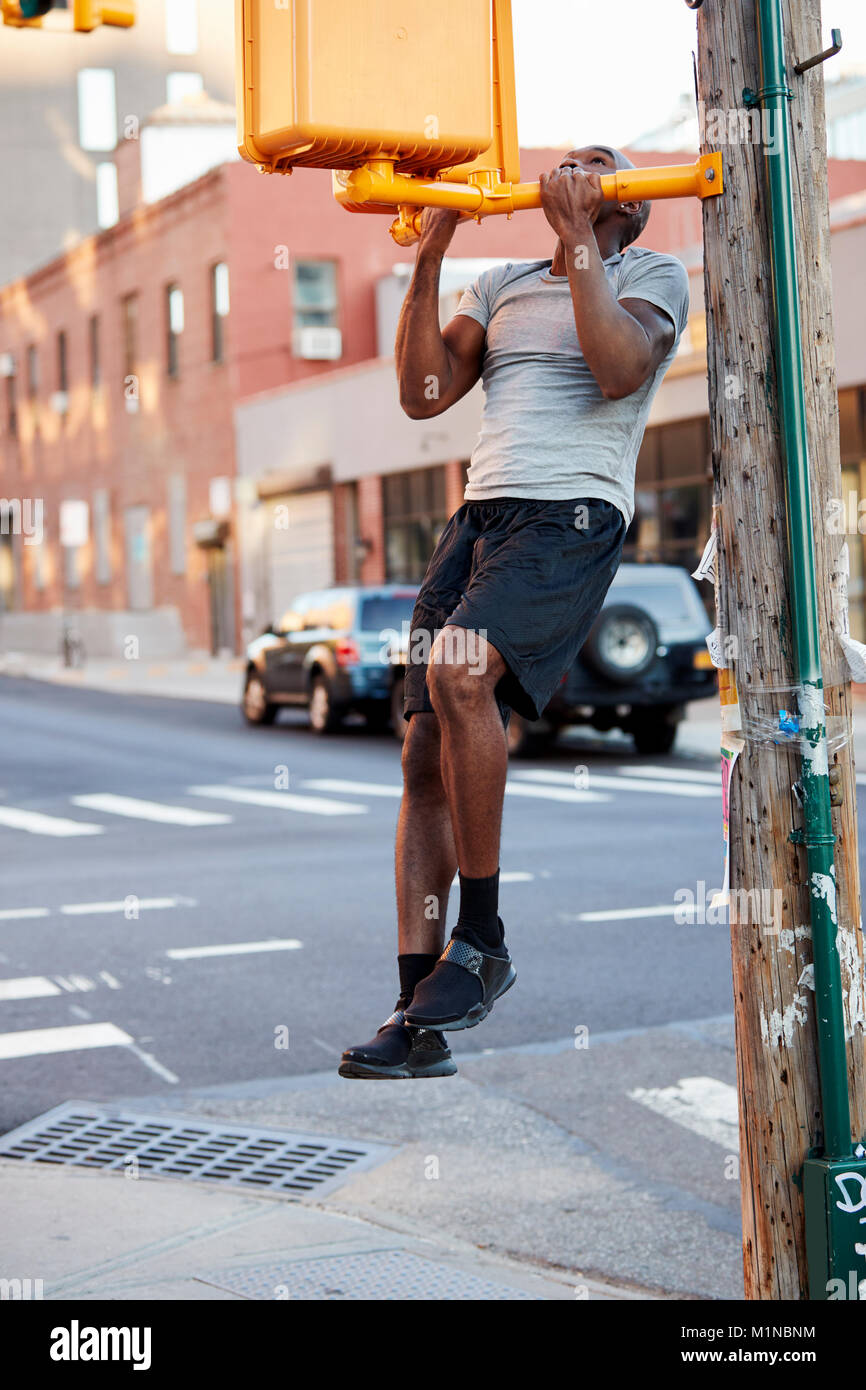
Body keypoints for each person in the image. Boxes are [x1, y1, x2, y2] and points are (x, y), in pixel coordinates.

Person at [339, 145, 690, 1080]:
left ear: (631, 205)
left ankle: (484, 936)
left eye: (599, 166)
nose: (574, 167)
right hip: (480, 517)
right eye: (570, 161)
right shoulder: (497, 283)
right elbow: (422, 397)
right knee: (419, 748)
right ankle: (416, 1017)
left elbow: (618, 369)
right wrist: (430, 252)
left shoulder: (652, 273)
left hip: (572, 510)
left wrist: (580, 236)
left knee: (461, 670)